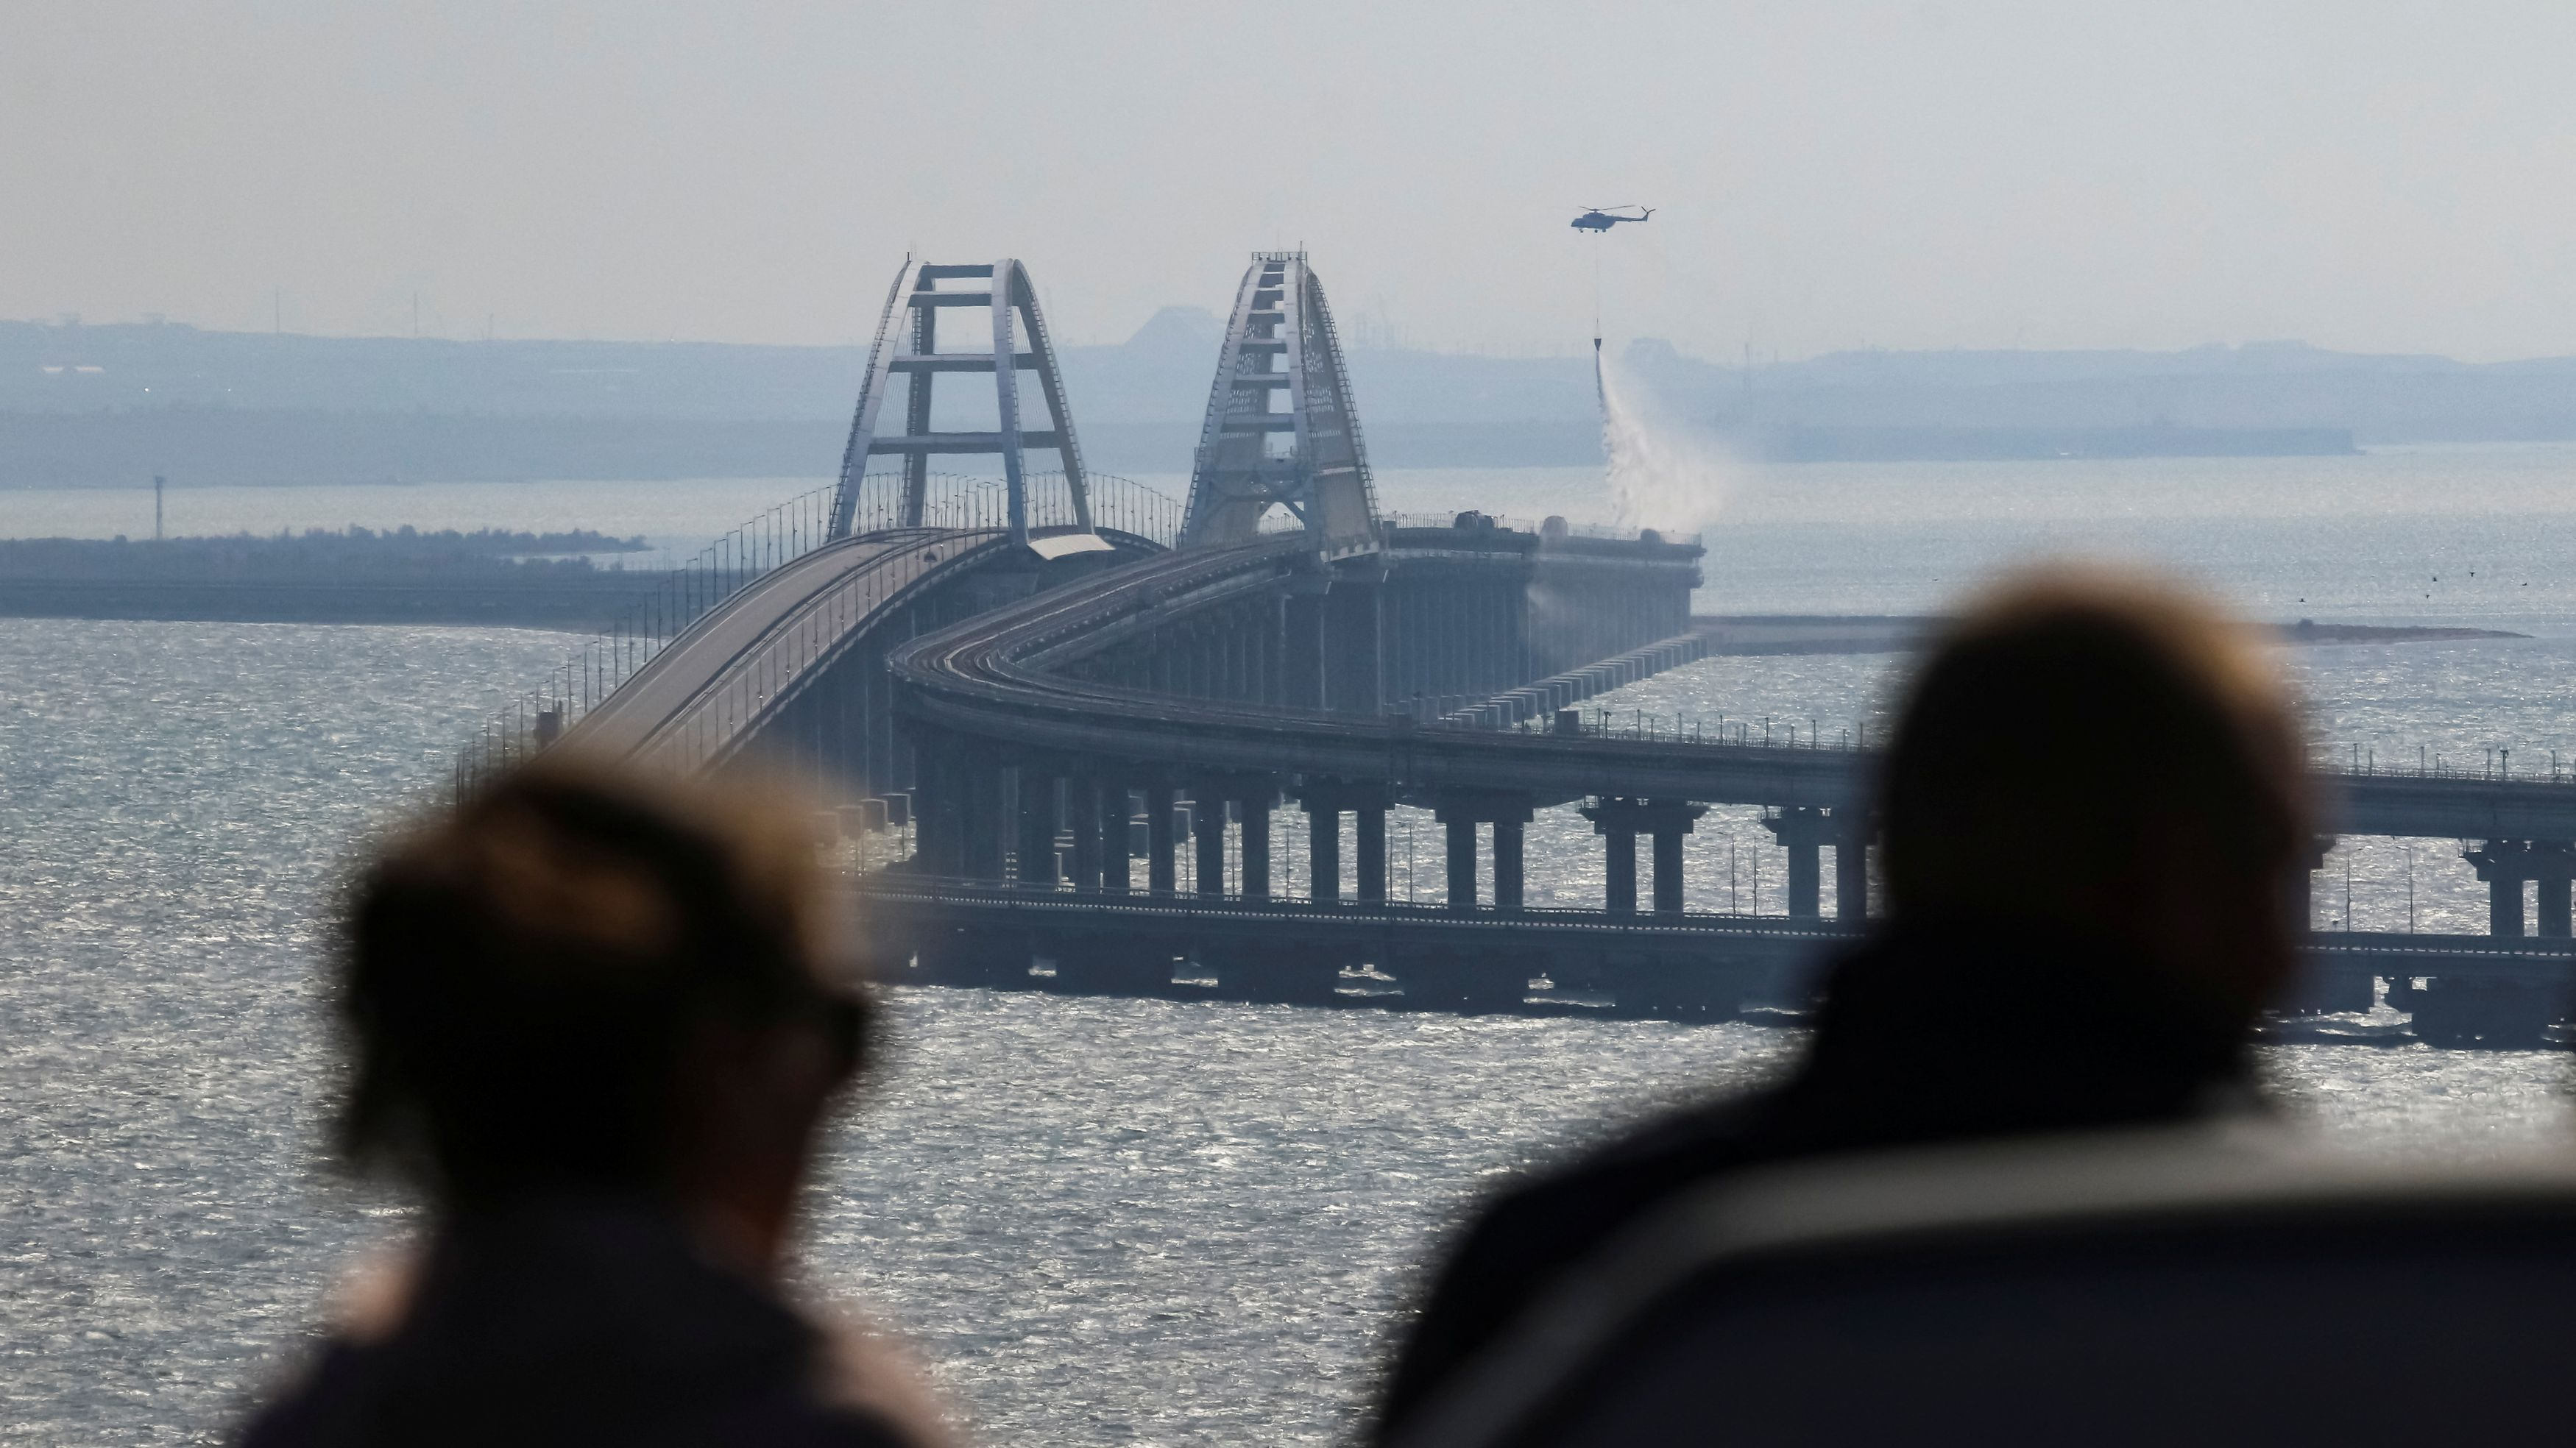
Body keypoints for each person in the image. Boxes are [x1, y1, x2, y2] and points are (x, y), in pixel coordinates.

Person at [1370, 568, 2315, 1442]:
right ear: (2175, 878)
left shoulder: (1571, 1271)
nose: (2290, 958)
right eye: (2276, 871)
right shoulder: (2338, 1286)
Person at [241, 760, 951, 1447]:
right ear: (727, 1068)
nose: (846, 1080)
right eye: (842, 1033)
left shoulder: (331, 1409)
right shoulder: (815, 1415)